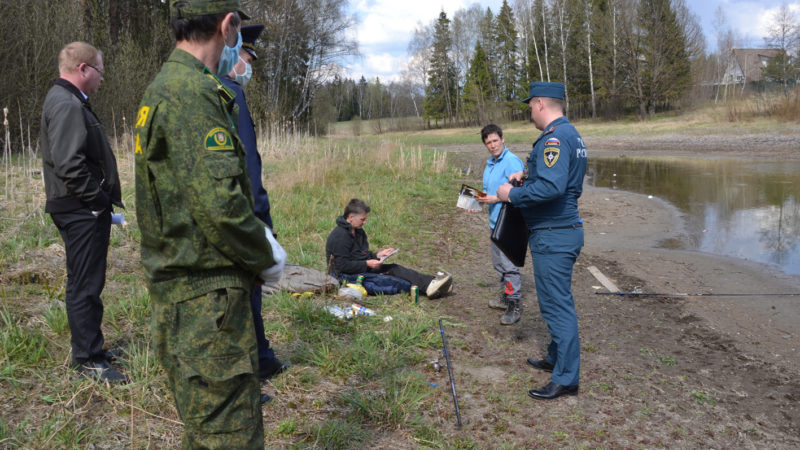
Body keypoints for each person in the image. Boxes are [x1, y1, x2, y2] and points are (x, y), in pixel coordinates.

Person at [134, 1, 286, 447]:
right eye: (236, 30)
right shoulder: (193, 95)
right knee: (229, 436)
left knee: (207, 432)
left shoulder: (165, 86)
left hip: (187, 298)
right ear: (227, 25)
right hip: (207, 307)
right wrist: (267, 256)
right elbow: (221, 207)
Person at [40, 41, 127, 384]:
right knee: (85, 284)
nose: (102, 79)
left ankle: (93, 348)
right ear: (84, 69)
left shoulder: (69, 101)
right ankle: (88, 360)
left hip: (80, 208)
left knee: (88, 280)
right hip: (80, 210)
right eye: (100, 72)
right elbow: (69, 164)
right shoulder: (66, 104)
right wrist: (97, 202)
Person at [497, 81, 587, 400]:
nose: (530, 114)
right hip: (560, 231)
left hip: (554, 233)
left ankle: (566, 378)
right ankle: (555, 357)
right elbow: (555, 179)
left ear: (539, 104)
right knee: (556, 299)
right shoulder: (571, 134)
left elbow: (552, 189)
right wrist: (528, 176)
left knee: (556, 305)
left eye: (530, 107)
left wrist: (513, 194)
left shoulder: (554, 139)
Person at [222, 24, 288, 383]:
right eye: (248, 58)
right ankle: (254, 365)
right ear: (233, 56)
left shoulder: (212, 92)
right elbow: (248, 165)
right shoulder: (230, 94)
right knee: (249, 294)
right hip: (245, 214)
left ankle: (260, 358)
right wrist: (264, 221)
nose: (250, 66)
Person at [325, 199, 452, 298]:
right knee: (392, 282)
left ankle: (431, 283)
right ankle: (430, 289)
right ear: (351, 217)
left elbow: (360, 255)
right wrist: (367, 263)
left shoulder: (359, 232)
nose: (365, 222)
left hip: (360, 268)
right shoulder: (339, 236)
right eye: (362, 219)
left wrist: (377, 255)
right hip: (345, 276)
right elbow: (341, 266)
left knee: (395, 268)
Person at [475, 124, 525, 325]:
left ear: (503, 139)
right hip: (494, 221)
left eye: (495, 140)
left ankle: (515, 304)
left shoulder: (512, 162)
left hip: (509, 223)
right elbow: (488, 192)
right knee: (499, 264)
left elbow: (520, 194)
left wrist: (496, 198)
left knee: (508, 265)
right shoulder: (491, 163)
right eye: (488, 142)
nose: (493, 145)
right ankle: (506, 296)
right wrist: (476, 202)